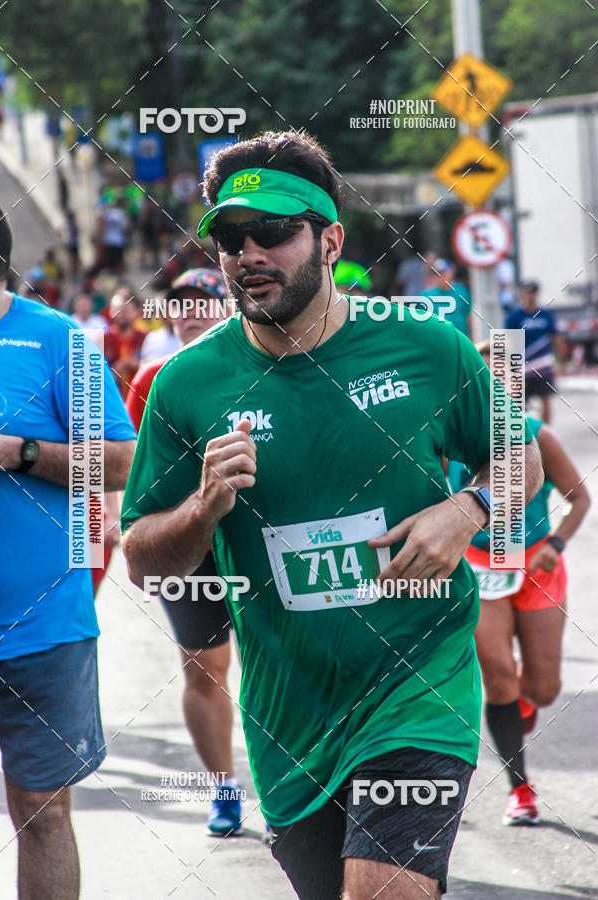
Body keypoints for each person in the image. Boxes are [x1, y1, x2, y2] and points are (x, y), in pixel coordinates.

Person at [120, 131, 543, 900]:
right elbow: (143, 556)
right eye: (230, 237)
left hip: (417, 685)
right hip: (290, 722)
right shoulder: (187, 385)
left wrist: (469, 507)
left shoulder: (427, 348)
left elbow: (524, 458)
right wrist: (204, 509)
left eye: (274, 232)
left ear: (330, 239)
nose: (249, 253)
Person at [0, 207, 136, 899]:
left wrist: (21, 453)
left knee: (42, 814)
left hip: (42, 629)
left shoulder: (59, 341)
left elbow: (120, 463)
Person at [447, 341, 590, 827]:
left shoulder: (538, 436)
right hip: (480, 563)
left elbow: (581, 500)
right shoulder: (450, 442)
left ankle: (526, 704)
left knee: (545, 688)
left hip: (537, 565)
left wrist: (558, 544)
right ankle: (520, 788)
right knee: (497, 675)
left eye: (504, 380)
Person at [125, 268, 244, 834]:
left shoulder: (264, 364)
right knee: (204, 671)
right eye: (180, 305)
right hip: (192, 550)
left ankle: (299, 786)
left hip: (265, 545)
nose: (191, 312)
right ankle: (223, 787)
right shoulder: (154, 378)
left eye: (204, 302)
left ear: (228, 307)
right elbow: (128, 475)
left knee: (290, 664)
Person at [505, 281, 567, 425]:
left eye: (533, 291)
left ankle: (545, 431)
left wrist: (561, 361)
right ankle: (520, 432)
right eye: (527, 291)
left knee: (546, 398)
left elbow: (556, 337)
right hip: (521, 366)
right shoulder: (514, 316)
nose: (530, 295)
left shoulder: (546, 314)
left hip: (543, 365)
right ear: (521, 293)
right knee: (517, 401)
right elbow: (508, 341)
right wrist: (509, 367)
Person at [103, 287, 146, 398]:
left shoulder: (146, 338)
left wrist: (133, 363)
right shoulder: (103, 339)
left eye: (125, 310)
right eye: (117, 310)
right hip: (112, 401)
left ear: (137, 312)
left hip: (141, 401)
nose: (121, 315)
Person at [423, 258, 471, 337]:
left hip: (460, 337)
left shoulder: (462, 291)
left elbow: (469, 315)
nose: (440, 276)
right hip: (437, 338)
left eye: (443, 273)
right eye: (437, 273)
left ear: (451, 272)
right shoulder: (426, 296)